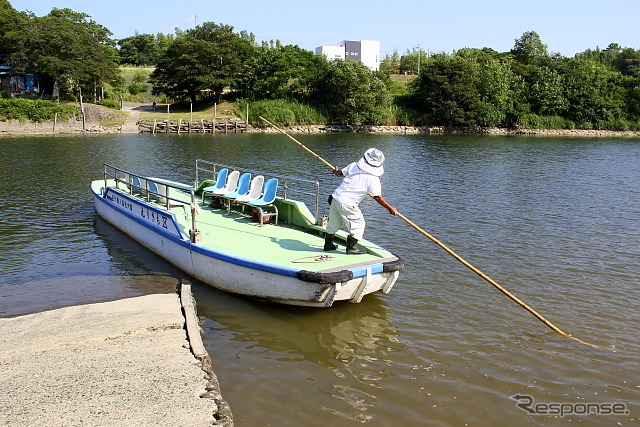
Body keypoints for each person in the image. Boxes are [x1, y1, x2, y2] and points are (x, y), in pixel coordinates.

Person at [324, 148, 397, 255]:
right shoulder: (373, 179)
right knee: (358, 224)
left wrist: (336, 171)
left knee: (333, 223)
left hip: (335, 198)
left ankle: (328, 245)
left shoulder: (354, 165)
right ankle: (351, 248)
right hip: (347, 203)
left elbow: (341, 173)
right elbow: (377, 197)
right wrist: (390, 208)